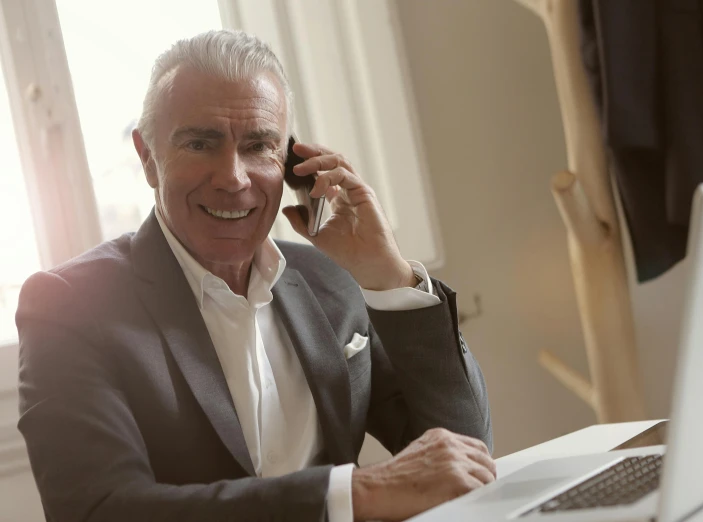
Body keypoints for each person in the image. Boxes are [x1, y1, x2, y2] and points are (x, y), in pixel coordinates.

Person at [16, 30, 492, 522]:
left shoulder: (331, 282)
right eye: (200, 143)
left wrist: (388, 277)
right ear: (148, 157)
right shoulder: (67, 305)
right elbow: (97, 510)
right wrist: (352, 493)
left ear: (291, 163)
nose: (234, 178)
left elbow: (466, 453)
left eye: (258, 145)